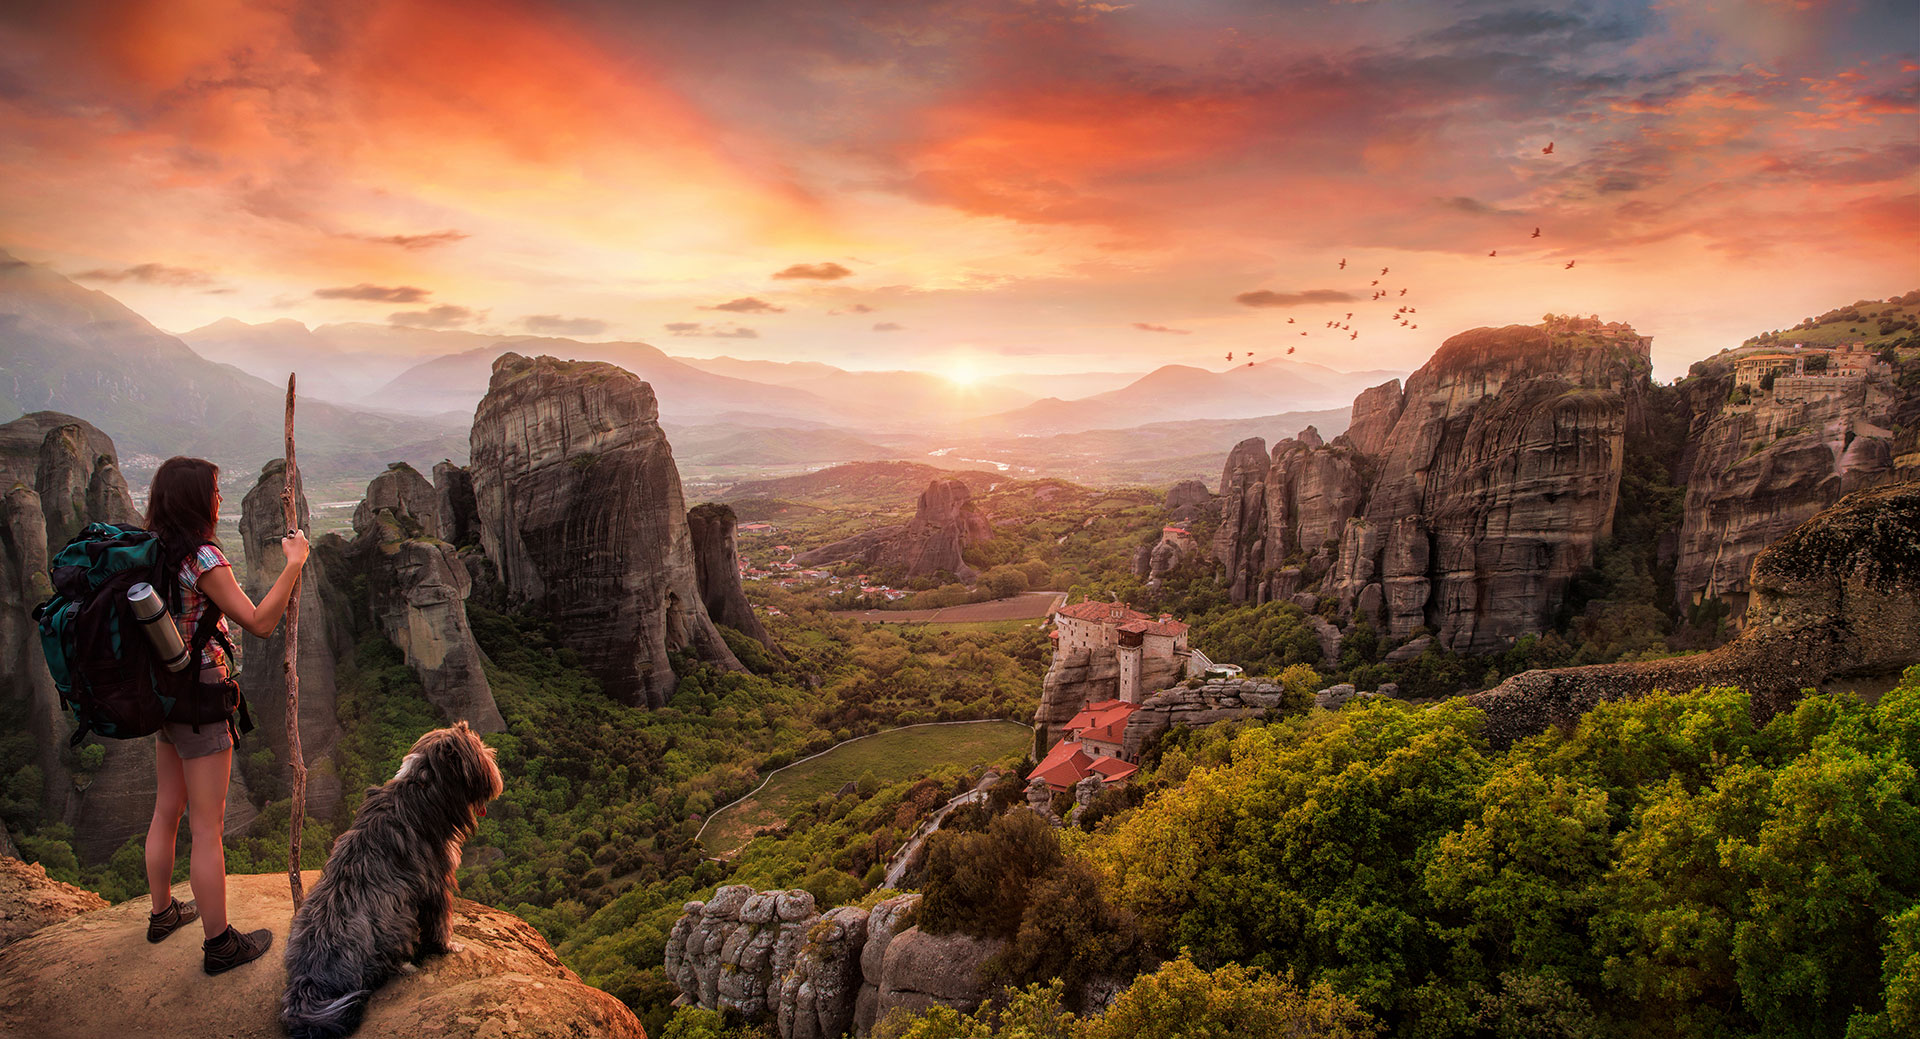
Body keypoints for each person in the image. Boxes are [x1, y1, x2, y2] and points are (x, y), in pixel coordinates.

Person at [139, 456, 310, 974]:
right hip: (202, 698)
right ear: (196, 499)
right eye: (214, 490)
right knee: (207, 827)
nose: (219, 498)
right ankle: (220, 945)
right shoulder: (203, 557)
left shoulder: (153, 550)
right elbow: (258, 622)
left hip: (163, 694)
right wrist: (295, 563)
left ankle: (163, 913)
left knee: (167, 808)